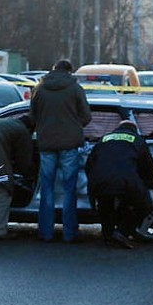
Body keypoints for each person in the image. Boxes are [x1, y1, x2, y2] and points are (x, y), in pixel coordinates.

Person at [29, 58, 91, 242]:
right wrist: (74, 125)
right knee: (69, 189)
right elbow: (86, 116)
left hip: (46, 145)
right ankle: (69, 233)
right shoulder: (75, 89)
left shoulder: (39, 88)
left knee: (46, 188)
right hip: (70, 145)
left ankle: (45, 232)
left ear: (53, 69)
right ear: (69, 72)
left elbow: (32, 117)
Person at [85, 119, 153, 249]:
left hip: (100, 180)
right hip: (126, 180)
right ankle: (122, 232)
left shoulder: (104, 139)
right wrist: (145, 182)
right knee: (145, 206)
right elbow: (148, 167)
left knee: (105, 205)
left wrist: (94, 181)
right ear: (134, 129)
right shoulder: (137, 140)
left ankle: (107, 236)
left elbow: (89, 164)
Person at [0, 115, 36, 239]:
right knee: (4, 189)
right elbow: (23, 160)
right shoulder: (22, 131)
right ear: (31, 128)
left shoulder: (6, 123)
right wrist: (30, 174)